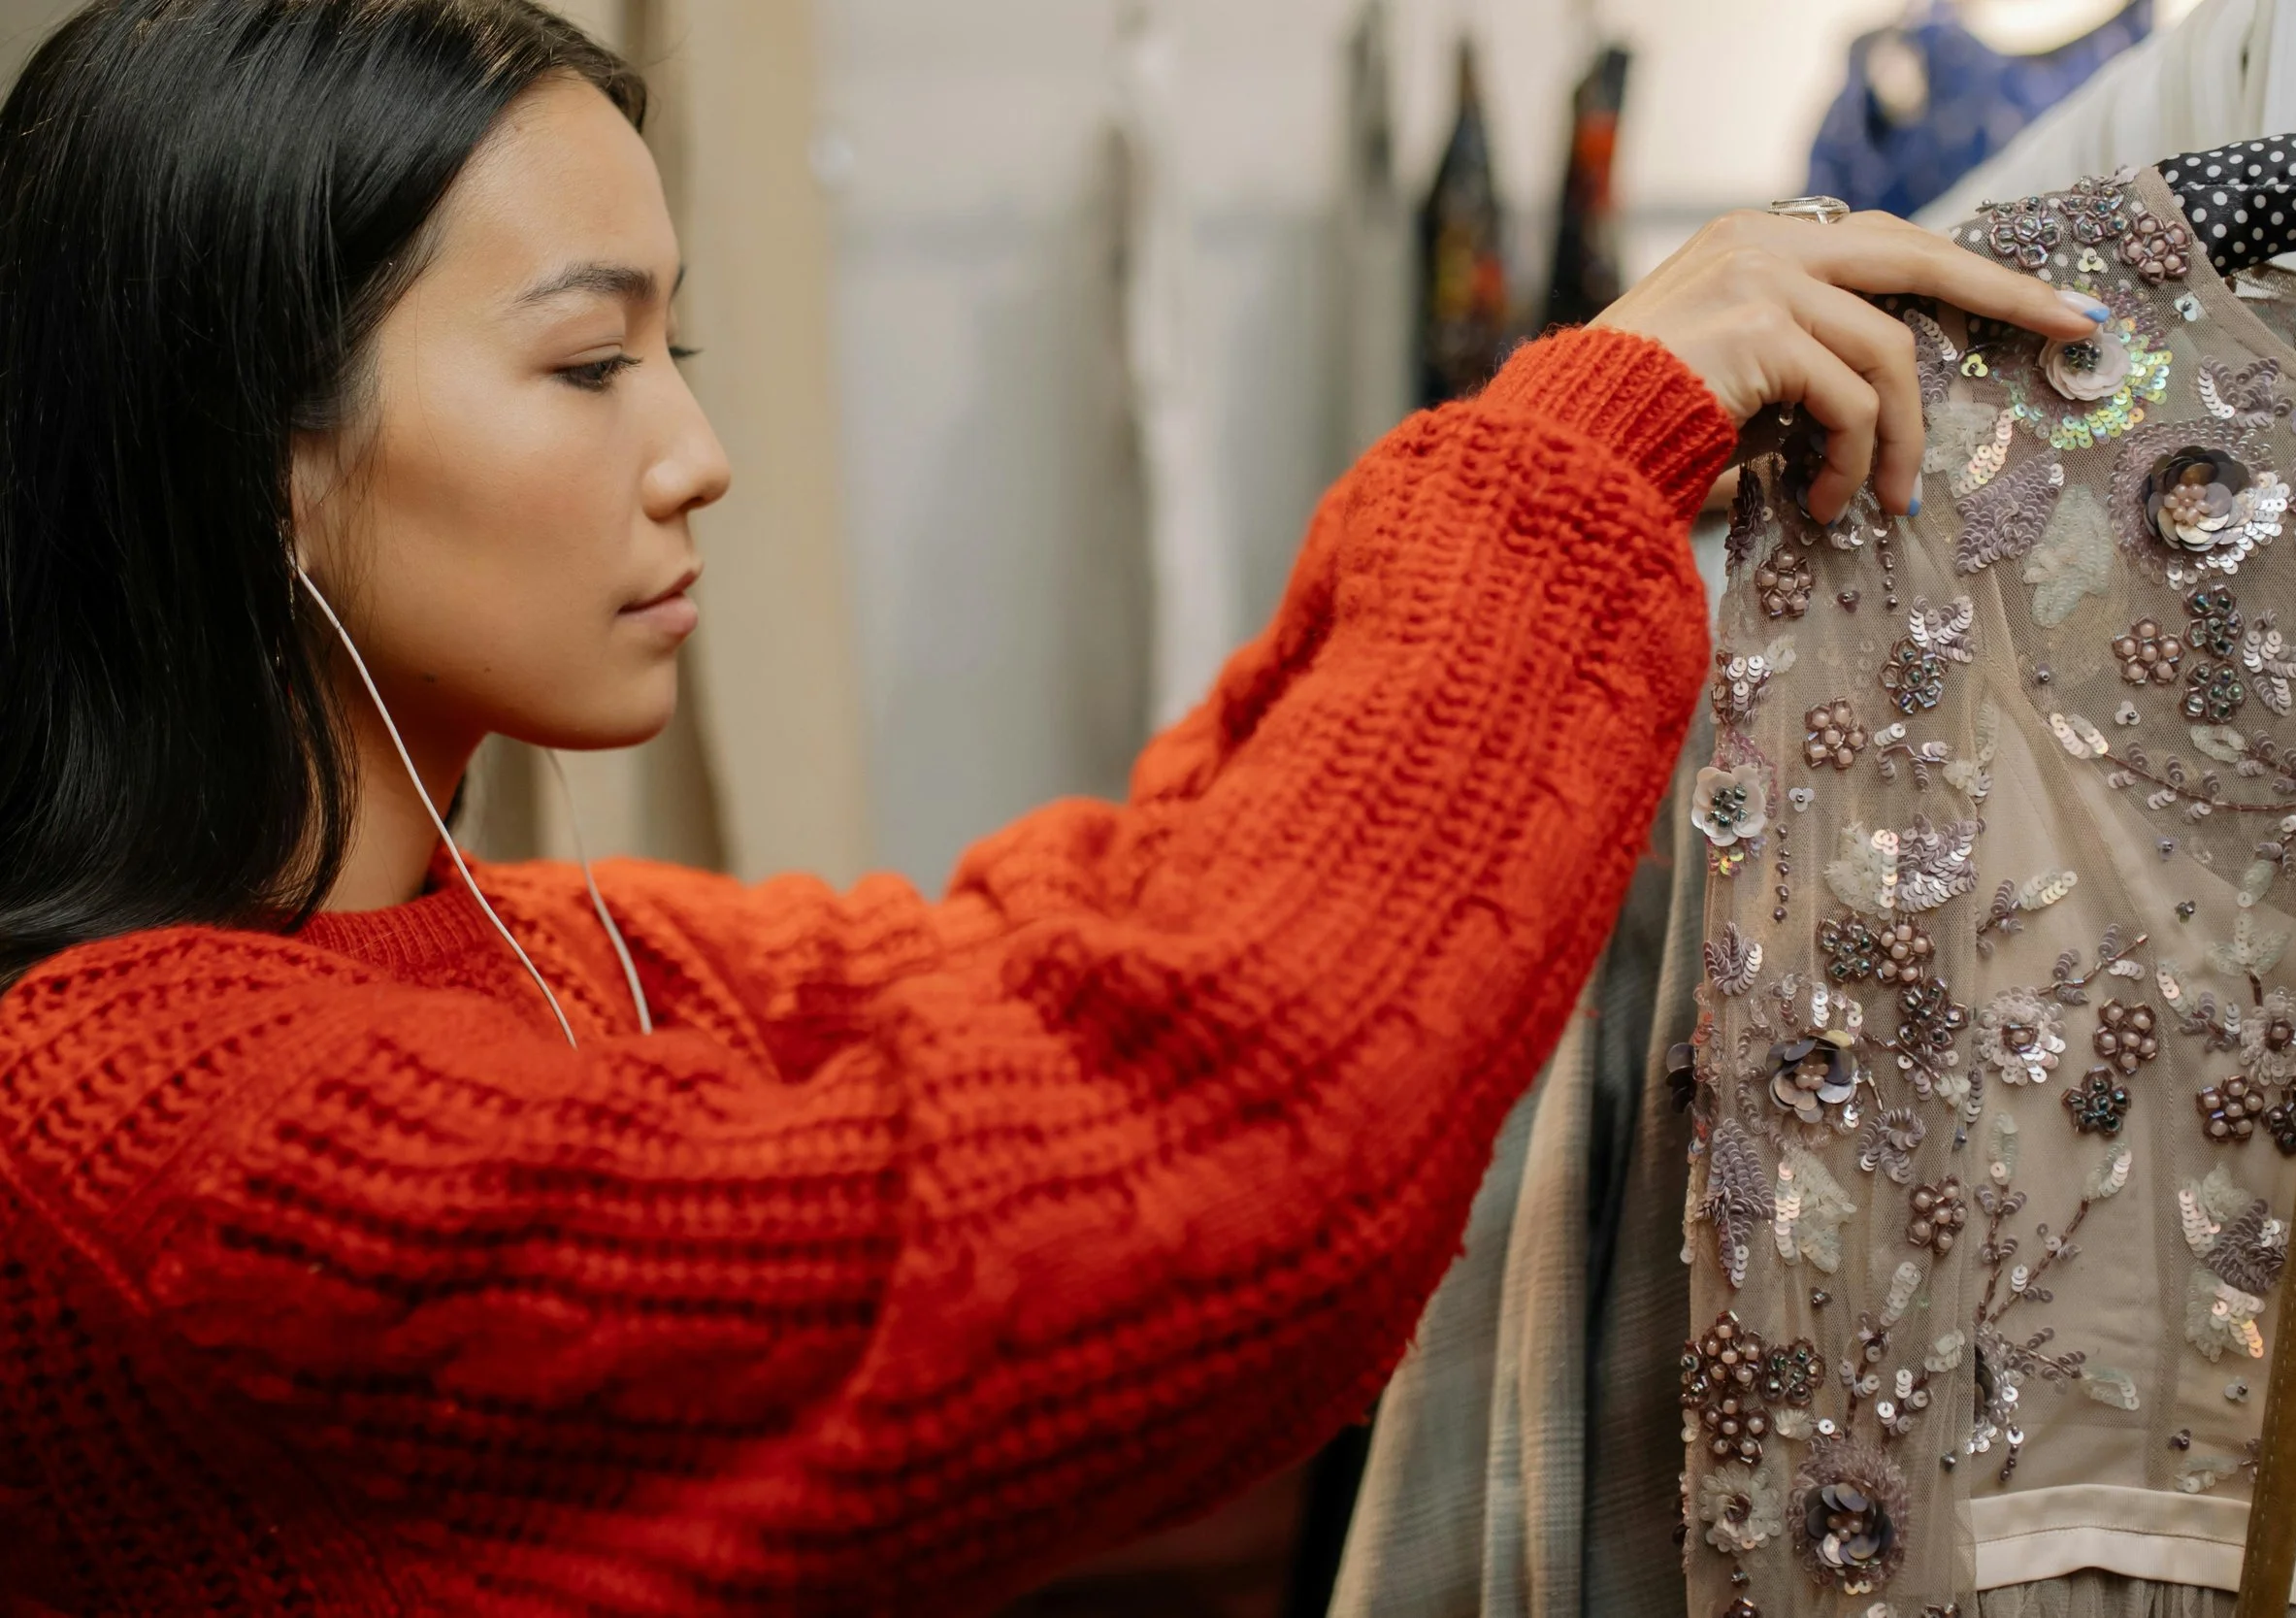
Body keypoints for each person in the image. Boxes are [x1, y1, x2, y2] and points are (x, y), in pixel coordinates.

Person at [0, 3, 2098, 1613]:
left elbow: (1091, 927)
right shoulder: (137, 1143)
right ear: (251, 449)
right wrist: (1541, 478)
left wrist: (1575, 471)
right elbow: (1191, 1174)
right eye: (585, 366)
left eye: (684, 349)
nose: (699, 451)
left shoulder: (540, 944)